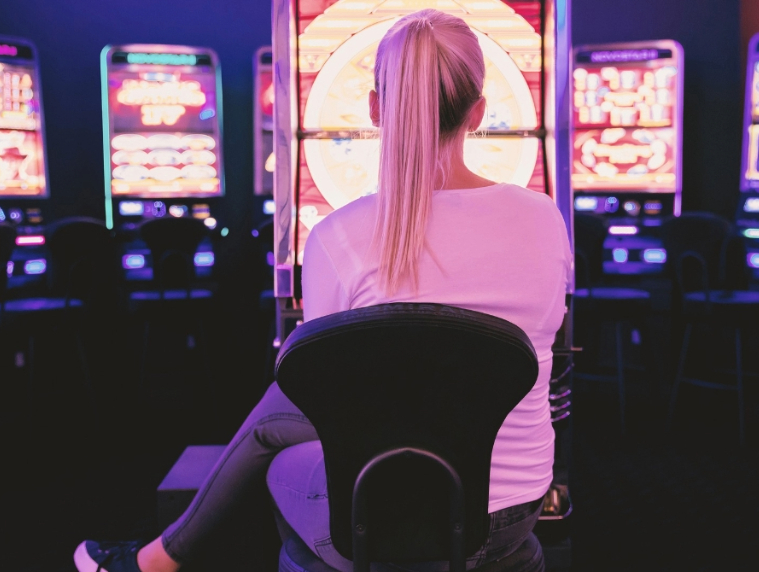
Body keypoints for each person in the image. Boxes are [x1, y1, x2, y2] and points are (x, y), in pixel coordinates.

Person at [74, 9, 570, 572]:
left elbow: (326, 399)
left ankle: (160, 558)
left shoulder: (338, 236)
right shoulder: (544, 219)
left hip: (380, 515)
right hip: (515, 511)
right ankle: (159, 558)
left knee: (276, 434)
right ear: (478, 112)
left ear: (376, 108)